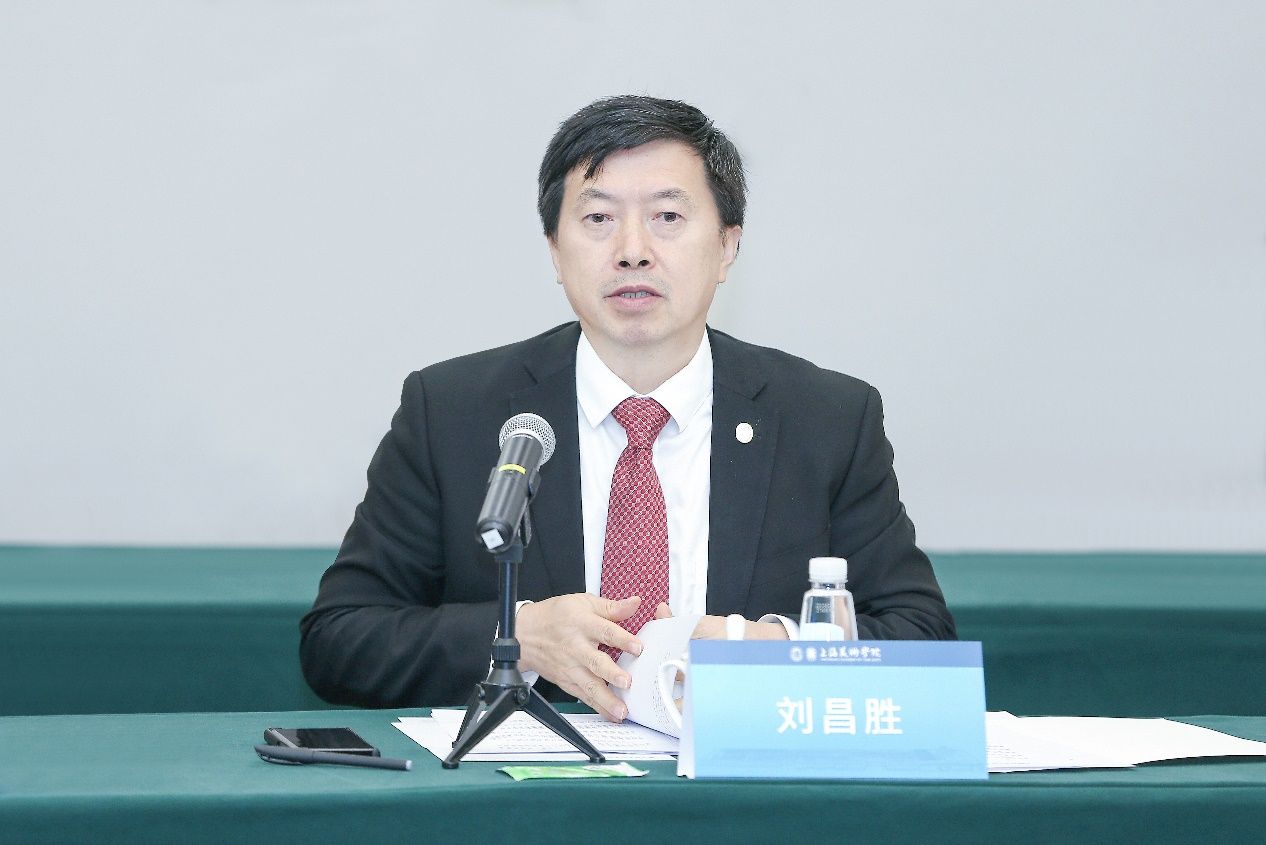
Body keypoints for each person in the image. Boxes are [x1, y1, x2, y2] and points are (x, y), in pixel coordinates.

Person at [300, 95, 955, 722]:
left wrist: (774, 646)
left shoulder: (826, 419)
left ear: (728, 246)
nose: (633, 249)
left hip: (735, 780)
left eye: (667, 216)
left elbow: (922, 637)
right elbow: (340, 639)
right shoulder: (452, 412)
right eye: (598, 219)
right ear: (555, 251)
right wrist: (516, 636)